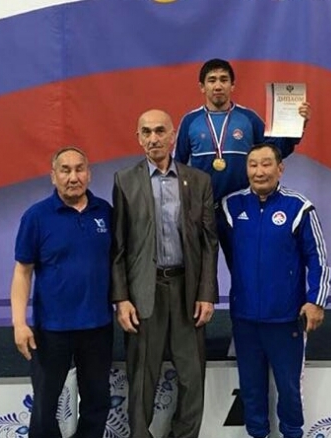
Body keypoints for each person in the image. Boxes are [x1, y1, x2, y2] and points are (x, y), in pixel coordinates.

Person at [111, 109, 219, 438]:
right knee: (142, 377)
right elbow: (118, 247)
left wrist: (206, 293)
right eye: (146, 132)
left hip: (187, 291)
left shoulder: (198, 181)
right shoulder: (124, 181)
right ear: (138, 138)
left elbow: (209, 243)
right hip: (145, 293)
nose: (154, 138)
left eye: (160, 131)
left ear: (173, 136)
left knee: (192, 377)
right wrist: (121, 299)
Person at [219, 143, 331, 438]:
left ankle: (292, 433)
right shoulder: (231, 207)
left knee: (289, 389)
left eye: (266, 164)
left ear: (280, 169)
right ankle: (257, 434)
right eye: (253, 165)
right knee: (251, 389)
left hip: (285, 320)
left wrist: (316, 301)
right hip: (245, 319)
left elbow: (318, 258)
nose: (260, 171)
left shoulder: (299, 208)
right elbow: (227, 253)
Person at [10, 146, 113, 438]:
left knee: (97, 401)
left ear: (89, 174)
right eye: (65, 170)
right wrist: (19, 323)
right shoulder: (36, 217)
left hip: (98, 326)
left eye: (79, 169)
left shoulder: (105, 212)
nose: (73, 177)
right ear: (53, 176)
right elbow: (22, 272)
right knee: (45, 403)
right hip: (51, 330)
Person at [174, 58, 312, 204]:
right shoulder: (190, 121)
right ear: (202, 87)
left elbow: (276, 151)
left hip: (242, 206)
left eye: (224, 80)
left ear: (232, 85)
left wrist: (297, 125)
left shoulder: (249, 118)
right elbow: (177, 165)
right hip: (202, 205)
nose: (218, 86)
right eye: (212, 80)